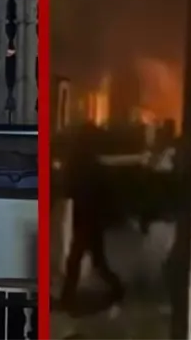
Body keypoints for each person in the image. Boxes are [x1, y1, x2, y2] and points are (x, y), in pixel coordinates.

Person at [59, 123, 123, 309]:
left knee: (77, 258)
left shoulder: (81, 162)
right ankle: (116, 288)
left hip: (86, 216)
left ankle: (68, 296)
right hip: (90, 216)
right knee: (96, 260)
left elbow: (70, 188)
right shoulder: (90, 163)